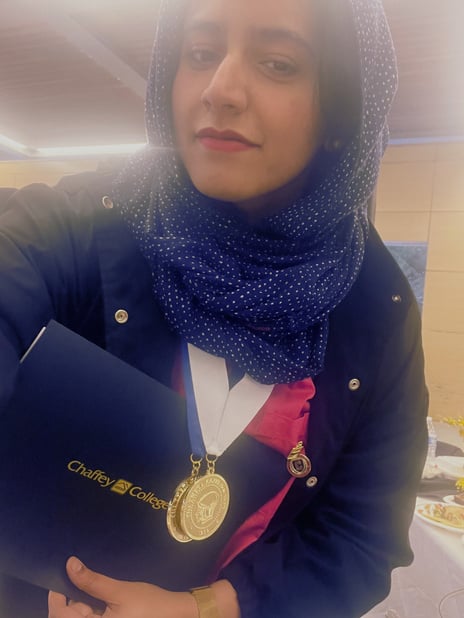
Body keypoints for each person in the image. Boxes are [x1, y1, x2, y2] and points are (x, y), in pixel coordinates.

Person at [0, 0, 428, 616]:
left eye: (278, 63)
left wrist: (205, 608)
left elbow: (361, 540)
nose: (220, 89)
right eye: (200, 53)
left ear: (342, 107)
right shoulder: (83, 226)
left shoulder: (375, 308)